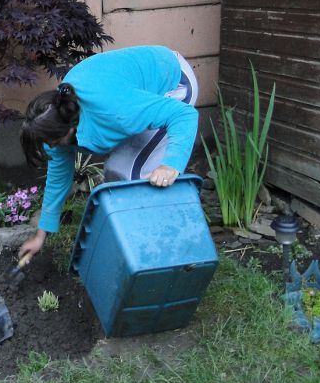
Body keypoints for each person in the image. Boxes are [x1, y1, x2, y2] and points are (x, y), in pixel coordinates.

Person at [18, 45, 199, 263]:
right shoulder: (56, 119)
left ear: (70, 128)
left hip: (172, 83)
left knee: (133, 174)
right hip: (130, 95)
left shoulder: (115, 110)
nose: (52, 147)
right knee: (116, 173)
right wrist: (40, 235)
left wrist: (171, 164)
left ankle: (159, 254)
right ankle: (130, 245)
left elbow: (182, 115)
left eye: (54, 142)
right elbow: (58, 178)